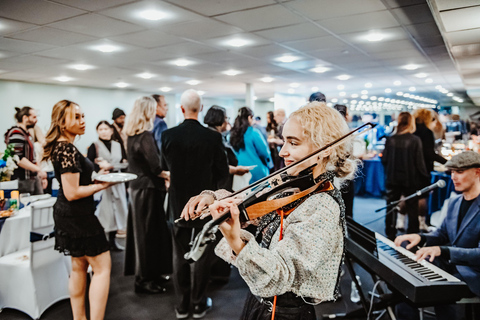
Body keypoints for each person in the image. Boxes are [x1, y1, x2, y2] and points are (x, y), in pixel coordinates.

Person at [182, 101, 358, 320]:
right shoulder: (295, 184)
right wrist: (213, 196)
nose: (283, 151)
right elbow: (249, 201)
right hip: (260, 304)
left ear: (325, 149)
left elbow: (278, 277)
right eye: (284, 141)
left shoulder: (321, 206)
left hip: (284, 312)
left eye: (293, 143)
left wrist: (237, 241)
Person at [160, 90, 230, 319]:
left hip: (177, 203)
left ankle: (182, 306)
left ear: (181, 109)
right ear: (200, 109)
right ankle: (199, 303)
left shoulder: (168, 135)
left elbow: (165, 166)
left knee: (178, 254)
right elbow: (222, 171)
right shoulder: (212, 137)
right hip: (204, 204)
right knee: (202, 253)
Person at [42, 100, 114, 320]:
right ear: (62, 122)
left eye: (82, 116)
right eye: (76, 117)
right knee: (102, 268)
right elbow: (72, 192)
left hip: (68, 214)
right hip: (77, 215)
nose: (82, 121)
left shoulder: (63, 146)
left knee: (79, 267)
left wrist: (95, 180)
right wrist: (102, 185)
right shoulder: (66, 149)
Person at [394, 151, 480, 320]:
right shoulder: (455, 201)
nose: (453, 177)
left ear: (477, 172)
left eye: (459, 172)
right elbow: (442, 233)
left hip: (473, 274)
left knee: (434, 288)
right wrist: (422, 237)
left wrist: (443, 251)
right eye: (452, 172)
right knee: (406, 280)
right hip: (451, 265)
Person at [123, 96, 172, 294]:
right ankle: (144, 280)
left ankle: (150, 274)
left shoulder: (131, 135)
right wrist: (170, 174)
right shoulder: (145, 136)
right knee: (148, 235)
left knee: (144, 235)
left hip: (138, 189)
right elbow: (155, 166)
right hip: (148, 190)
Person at [382, 112, 429, 240]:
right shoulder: (415, 140)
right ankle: (411, 234)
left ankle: (390, 232)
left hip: (392, 178)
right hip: (410, 179)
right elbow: (420, 163)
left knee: (391, 206)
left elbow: (384, 160)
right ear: (411, 122)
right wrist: (426, 177)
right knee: (412, 207)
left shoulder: (390, 139)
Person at [87, 121, 128, 251]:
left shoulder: (117, 145)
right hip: (103, 184)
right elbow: (89, 165)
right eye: (100, 129)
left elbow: (125, 163)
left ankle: (113, 241)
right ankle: (103, 242)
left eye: (106, 129)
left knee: (118, 212)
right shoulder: (95, 146)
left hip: (117, 182)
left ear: (111, 130)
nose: (104, 131)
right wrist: (99, 169)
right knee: (104, 213)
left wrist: (112, 166)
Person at [413, 109, 447, 231]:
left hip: (409, 169)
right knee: (423, 196)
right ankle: (421, 223)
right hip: (422, 168)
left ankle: (403, 221)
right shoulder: (426, 132)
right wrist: (448, 162)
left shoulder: (411, 129)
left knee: (409, 196)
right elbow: (429, 154)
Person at [204, 105, 250, 192]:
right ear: (220, 119)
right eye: (226, 118)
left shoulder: (215, 135)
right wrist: (236, 170)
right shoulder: (215, 137)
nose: (227, 121)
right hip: (218, 185)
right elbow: (219, 166)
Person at [4, 106, 46, 194]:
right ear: (25, 118)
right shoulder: (16, 133)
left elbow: (32, 157)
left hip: (32, 179)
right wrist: (39, 170)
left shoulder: (26, 134)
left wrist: (40, 174)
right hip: (23, 181)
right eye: (34, 117)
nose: (36, 120)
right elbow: (18, 159)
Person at [230, 107, 273, 183]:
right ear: (249, 117)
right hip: (256, 171)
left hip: (239, 171)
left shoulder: (232, 134)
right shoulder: (253, 132)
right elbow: (264, 152)